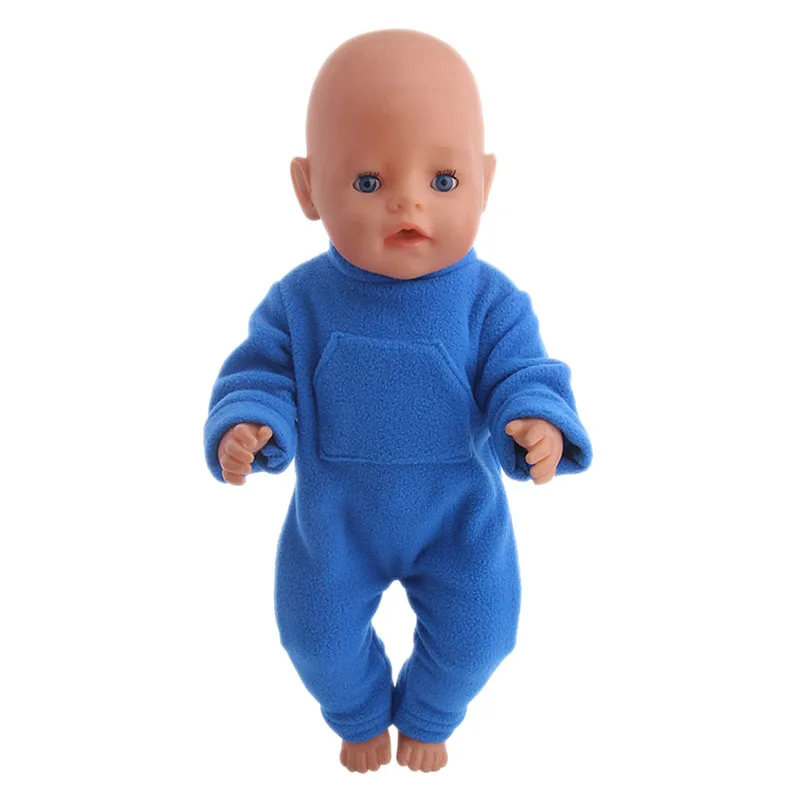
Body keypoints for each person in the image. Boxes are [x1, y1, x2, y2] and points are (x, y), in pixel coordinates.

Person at [203, 28, 592, 773]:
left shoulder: (490, 301)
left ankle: (431, 712)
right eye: (367, 182)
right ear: (308, 189)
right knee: (313, 635)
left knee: (483, 633)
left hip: (459, 519)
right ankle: (356, 713)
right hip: (334, 522)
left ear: (484, 182)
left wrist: (536, 421)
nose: (408, 200)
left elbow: (525, 371)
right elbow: (260, 374)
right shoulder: (300, 302)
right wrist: (249, 423)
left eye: (443, 180)